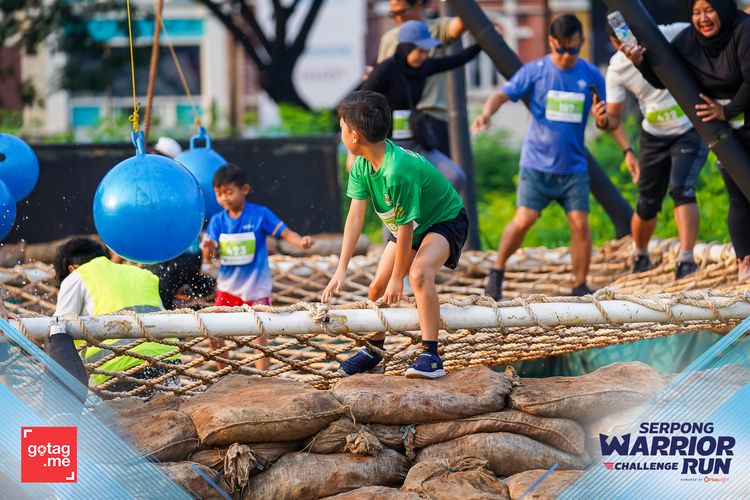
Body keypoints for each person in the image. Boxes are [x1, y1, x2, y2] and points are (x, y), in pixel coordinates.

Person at [323, 90, 469, 379]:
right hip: (409, 225)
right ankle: (374, 351)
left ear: (354, 136)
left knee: (419, 274)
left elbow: (406, 230)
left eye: (341, 129)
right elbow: (355, 217)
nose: (341, 135)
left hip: (444, 220)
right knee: (376, 288)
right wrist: (341, 268)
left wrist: (397, 278)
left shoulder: (397, 171)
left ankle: (431, 354)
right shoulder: (362, 164)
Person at [473, 14, 609, 300]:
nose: (567, 56)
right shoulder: (535, 71)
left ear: (582, 43)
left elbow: (606, 120)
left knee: (580, 223)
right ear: (551, 42)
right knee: (524, 219)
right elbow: (500, 95)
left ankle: (579, 284)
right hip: (536, 164)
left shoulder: (591, 75)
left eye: (574, 50)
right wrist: (486, 114)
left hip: (573, 167)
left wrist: (603, 120)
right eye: (562, 49)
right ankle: (497, 271)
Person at [624, 0, 750, 282]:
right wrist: (640, 62)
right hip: (728, 131)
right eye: (696, 12)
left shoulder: (744, 31)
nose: (702, 18)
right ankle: (746, 262)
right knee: (738, 196)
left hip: (737, 117)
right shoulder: (688, 41)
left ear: (723, 8)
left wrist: (726, 110)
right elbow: (665, 79)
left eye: (709, 10)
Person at [603, 21, 709, 279]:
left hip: (689, 127)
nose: (627, 47)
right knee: (647, 201)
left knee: (681, 187)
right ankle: (640, 254)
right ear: (614, 43)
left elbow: (705, 28)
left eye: (628, 37)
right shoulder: (617, 68)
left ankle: (686, 259)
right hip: (654, 134)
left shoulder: (668, 34)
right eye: (620, 43)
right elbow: (612, 120)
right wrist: (604, 122)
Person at [201, 164, 314, 371]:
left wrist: (301, 242)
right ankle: (224, 374)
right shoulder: (217, 221)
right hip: (227, 288)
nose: (224, 198)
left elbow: (286, 233)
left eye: (229, 192)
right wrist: (208, 248)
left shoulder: (260, 214)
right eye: (219, 194)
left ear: (244, 189)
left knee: (259, 334)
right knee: (213, 330)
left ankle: (263, 377)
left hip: (256, 288)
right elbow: (208, 259)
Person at [361, 20, 480, 193]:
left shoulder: (424, 66)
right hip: (388, 144)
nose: (424, 56)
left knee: (455, 177)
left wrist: (481, 43)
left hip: (415, 140)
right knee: (401, 192)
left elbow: (456, 60)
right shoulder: (386, 69)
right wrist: (359, 148)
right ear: (406, 48)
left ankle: (428, 210)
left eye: (427, 51)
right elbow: (358, 102)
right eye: (420, 50)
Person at [53, 237, 178, 396]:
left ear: (72, 268)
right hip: (168, 359)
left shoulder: (77, 276)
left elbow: (58, 330)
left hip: (118, 366)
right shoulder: (142, 273)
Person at [377, 0, 466, 156]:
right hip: (397, 121)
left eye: (402, 12)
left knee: (437, 169)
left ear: (418, 5)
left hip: (430, 118)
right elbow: (376, 84)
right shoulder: (389, 39)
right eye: (393, 14)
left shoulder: (436, 29)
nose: (398, 18)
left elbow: (463, 24)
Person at [146, 136, 215, 309]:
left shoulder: (181, 185)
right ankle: (200, 285)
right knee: (150, 278)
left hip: (186, 253)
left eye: (156, 155)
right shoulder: (154, 186)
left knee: (162, 289)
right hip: (164, 253)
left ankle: (169, 318)